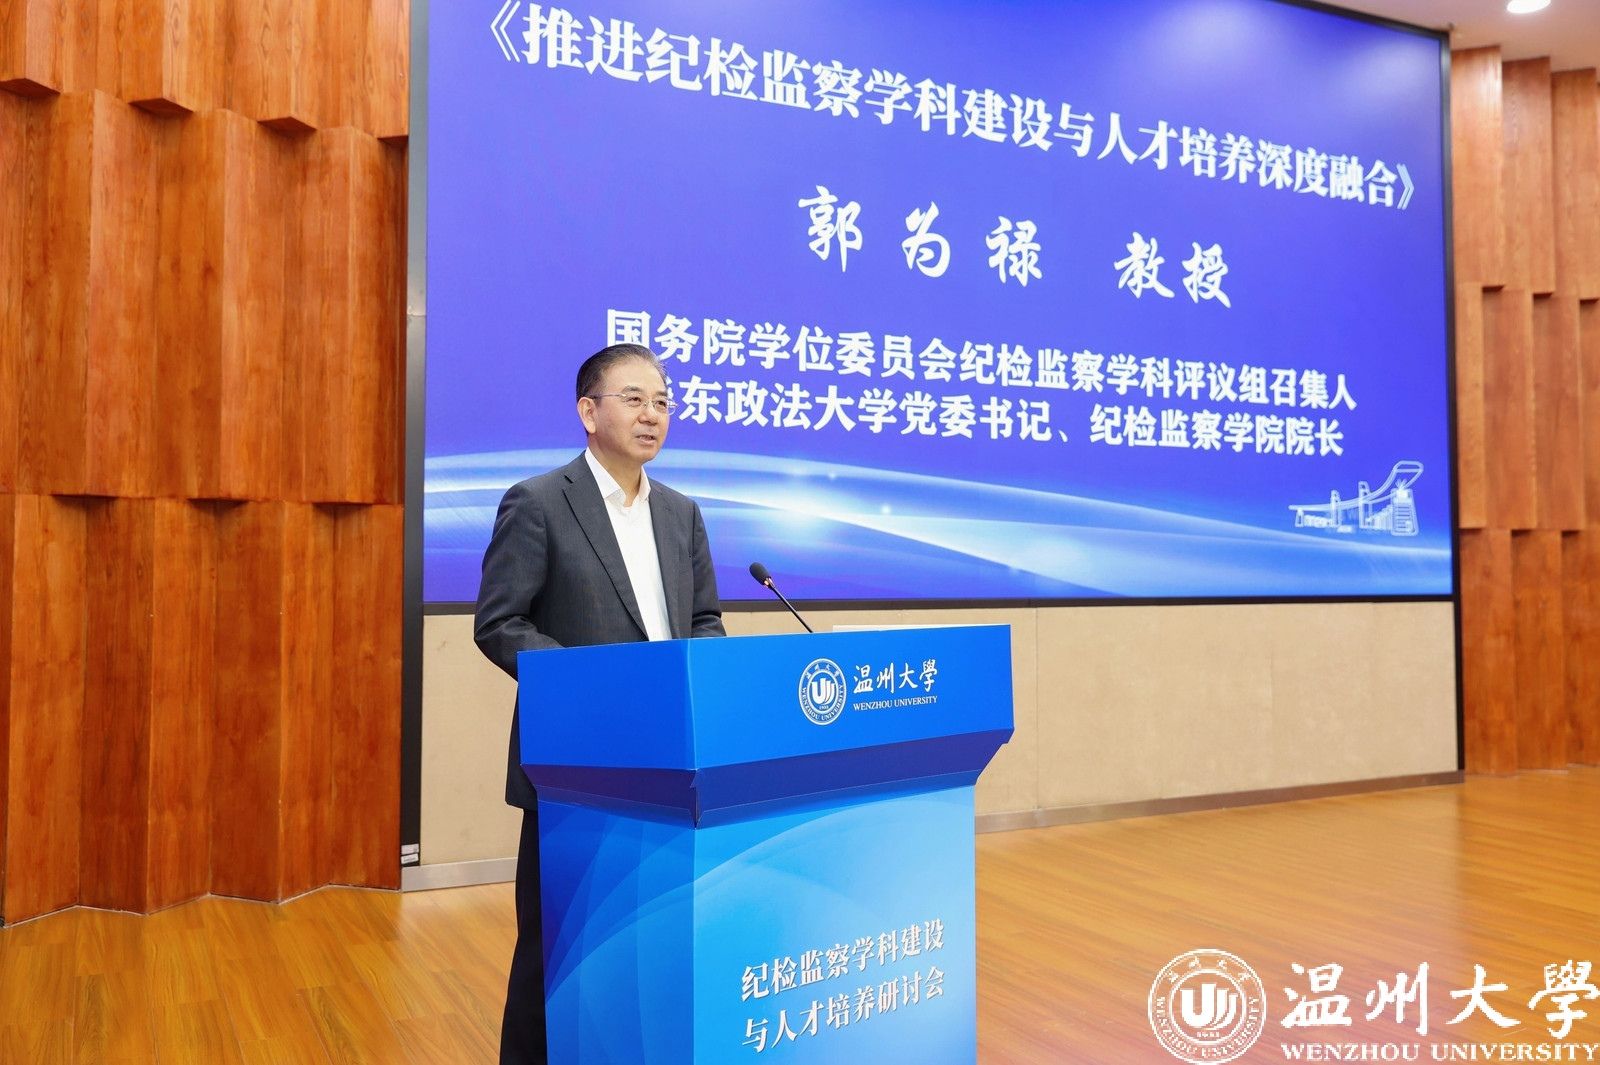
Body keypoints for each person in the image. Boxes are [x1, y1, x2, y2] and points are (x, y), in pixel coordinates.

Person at [473, 343, 726, 1065]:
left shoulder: (681, 513)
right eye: (634, 399)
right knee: (555, 950)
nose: (652, 415)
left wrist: (701, 678)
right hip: (575, 768)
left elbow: (704, 619)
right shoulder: (539, 502)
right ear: (588, 411)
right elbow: (499, 622)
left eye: (662, 402)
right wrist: (596, 687)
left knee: (646, 945)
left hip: (670, 763)